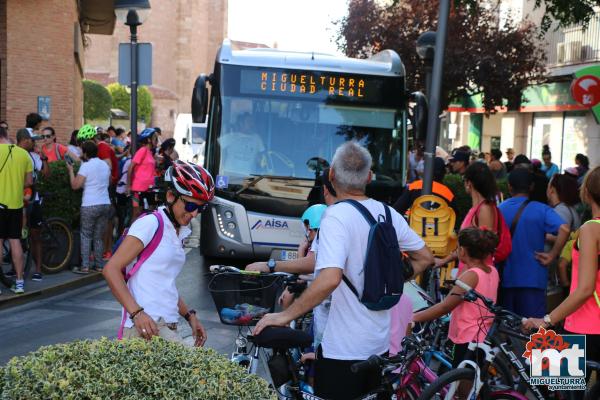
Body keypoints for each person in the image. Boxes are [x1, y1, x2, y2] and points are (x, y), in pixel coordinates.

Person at [253, 142, 434, 400]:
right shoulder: (387, 213)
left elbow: (329, 278)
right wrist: (392, 279)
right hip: (378, 349)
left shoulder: (336, 216)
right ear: (369, 177)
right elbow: (425, 257)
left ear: (332, 176)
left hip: (343, 353)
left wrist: (283, 316)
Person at [103, 160, 213, 346]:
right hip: (146, 327)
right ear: (171, 196)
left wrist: (189, 315)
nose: (195, 214)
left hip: (167, 325)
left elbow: (164, 283)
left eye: (201, 208)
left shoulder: (178, 231)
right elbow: (111, 269)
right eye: (191, 206)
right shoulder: (151, 224)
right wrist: (137, 313)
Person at [524, 166, 600, 376]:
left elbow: (585, 289)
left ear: (587, 192)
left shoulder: (590, 229)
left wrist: (547, 320)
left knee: (554, 382)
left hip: (584, 325)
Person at [413, 228, 499, 370]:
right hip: (483, 334)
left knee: (461, 382)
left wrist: (414, 317)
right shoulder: (491, 270)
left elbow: (445, 306)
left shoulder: (471, 275)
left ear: (463, 251)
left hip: (467, 336)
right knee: (473, 377)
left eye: (458, 247)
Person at [499, 168, 570, 317]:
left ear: (509, 186)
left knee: (508, 329)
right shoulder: (541, 209)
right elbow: (564, 228)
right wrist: (552, 255)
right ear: (531, 187)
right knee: (533, 330)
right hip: (534, 278)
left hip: (506, 278)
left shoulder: (499, 209)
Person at [434, 162, 499, 274]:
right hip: (470, 274)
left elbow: (484, 248)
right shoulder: (477, 208)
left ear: (469, 183)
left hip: (475, 276)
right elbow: (467, 247)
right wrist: (444, 260)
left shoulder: (484, 209)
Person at [67, 140, 111, 274]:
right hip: (105, 203)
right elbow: (108, 183)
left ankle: (85, 266)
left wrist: (70, 171)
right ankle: (98, 265)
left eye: (82, 151)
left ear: (86, 153)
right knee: (98, 237)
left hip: (90, 204)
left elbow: (75, 185)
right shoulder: (105, 165)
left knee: (86, 235)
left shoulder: (86, 166)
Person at [0, 126, 33, 294]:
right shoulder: (23, 154)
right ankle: (19, 282)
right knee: (15, 241)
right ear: (6, 135)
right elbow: (28, 182)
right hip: (16, 205)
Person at [16, 128, 49, 281]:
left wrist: (44, 159)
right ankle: (16, 269)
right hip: (16, 201)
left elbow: (46, 174)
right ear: (25, 140)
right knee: (15, 236)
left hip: (33, 201)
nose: (34, 143)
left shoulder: (35, 157)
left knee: (35, 235)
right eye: (32, 140)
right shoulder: (14, 153)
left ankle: (37, 269)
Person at [127, 127, 159, 221]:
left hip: (149, 188)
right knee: (137, 214)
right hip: (138, 189)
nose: (156, 141)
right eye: (155, 138)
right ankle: (131, 234)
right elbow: (131, 167)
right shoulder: (143, 150)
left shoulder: (150, 152)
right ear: (149, 139)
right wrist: (128, 186)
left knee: (150, 214)